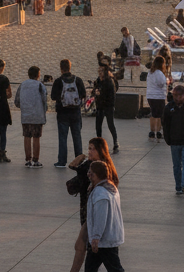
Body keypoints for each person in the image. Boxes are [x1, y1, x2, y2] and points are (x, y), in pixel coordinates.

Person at [67, 137, 118, 272]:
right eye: (89, 148)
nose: (90, 151)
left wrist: (75, 166)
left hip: (96, 217)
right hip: (87, 212)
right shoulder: (89, 166)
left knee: (81, 246)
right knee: (89, 253)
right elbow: (73, 186)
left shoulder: (102, 169)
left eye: (93, 149)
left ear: (101, 151)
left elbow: (82, 179)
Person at [85, 160, 125, 272]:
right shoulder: (111, 187)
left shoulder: (100, 193)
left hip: (104, 241)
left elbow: (100, 217)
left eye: (91, 172)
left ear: (96, 174)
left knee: (115, 269)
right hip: (109, 237)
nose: (88, 175)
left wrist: (96, 237)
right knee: (90, 268)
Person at [51, 59, 86, 167]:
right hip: (75, 112)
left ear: (61, 68)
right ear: (70, 67)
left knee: (63, 138)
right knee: (77, 137)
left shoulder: (58, 81)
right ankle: (79, 160)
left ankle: (62, 161)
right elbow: (83, 94)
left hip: (62, 113)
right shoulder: (78, 80)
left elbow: (53, 97)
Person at [15, 65, 48, 168]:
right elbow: (44, 101)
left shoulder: (22, 85)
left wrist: (24, 108)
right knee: (36, 137)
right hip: (37, 116)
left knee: (27, 136)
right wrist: (44, 110)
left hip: (26, 116)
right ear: (38, 75)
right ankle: (36, 160)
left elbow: (17, 101)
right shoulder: (40, 85)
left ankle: (28, 160)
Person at [93, 63, 119, 153]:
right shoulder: (98, 80)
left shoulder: (109, 81)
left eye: (101, 71)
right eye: (98, 70)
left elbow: (112, 95)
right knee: (98, 125)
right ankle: (99, 144)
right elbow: (95, 90)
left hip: (108, 106)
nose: (99, 73)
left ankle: (115, 143)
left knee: (110, 124)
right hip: (100, 106)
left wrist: (101, 94)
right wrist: (95, 92)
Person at [145, 56, 169, 140]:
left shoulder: (150, 72)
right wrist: (167, 81)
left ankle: (152, 131)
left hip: (150, 95)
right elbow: (161, 83)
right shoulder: (159, 73)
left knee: (153, 113)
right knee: (159, 115)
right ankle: (158, 132)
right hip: (158, 96)